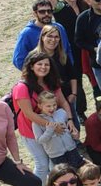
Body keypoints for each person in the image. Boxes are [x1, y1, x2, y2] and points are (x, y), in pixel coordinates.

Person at [13, 50, 75, 178]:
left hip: (52, 129)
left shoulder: (51, 81)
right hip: (31, 131)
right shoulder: (22, 88)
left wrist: (70, 119)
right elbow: (29, 114)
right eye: (39, 64)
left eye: (46, 65)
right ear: (31, 66)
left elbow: (63, 102)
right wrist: (52, 126)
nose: (43, 67)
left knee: (54, 164)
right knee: (42, 164)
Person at [12, 0, 74, 71]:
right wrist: (36, 74)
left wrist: (70, 70)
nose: (46, 14)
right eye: (42, 12)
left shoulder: (59, 28)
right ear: (35, 13)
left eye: (49, 11)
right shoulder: (26, 33)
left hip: (63, 76)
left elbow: (67, 49)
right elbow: (18, 60)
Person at [34, 90, 86, 171]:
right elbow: (39, 140)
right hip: (56, 155)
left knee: (80, 169)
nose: (52, 108)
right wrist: (49, 130)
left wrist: (74, 135)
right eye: (48, 106)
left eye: (54, 105)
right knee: (65, 174)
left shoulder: (62, 113)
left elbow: (68, 130)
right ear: (40, 106)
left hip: (71, 148)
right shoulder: (37, 122)